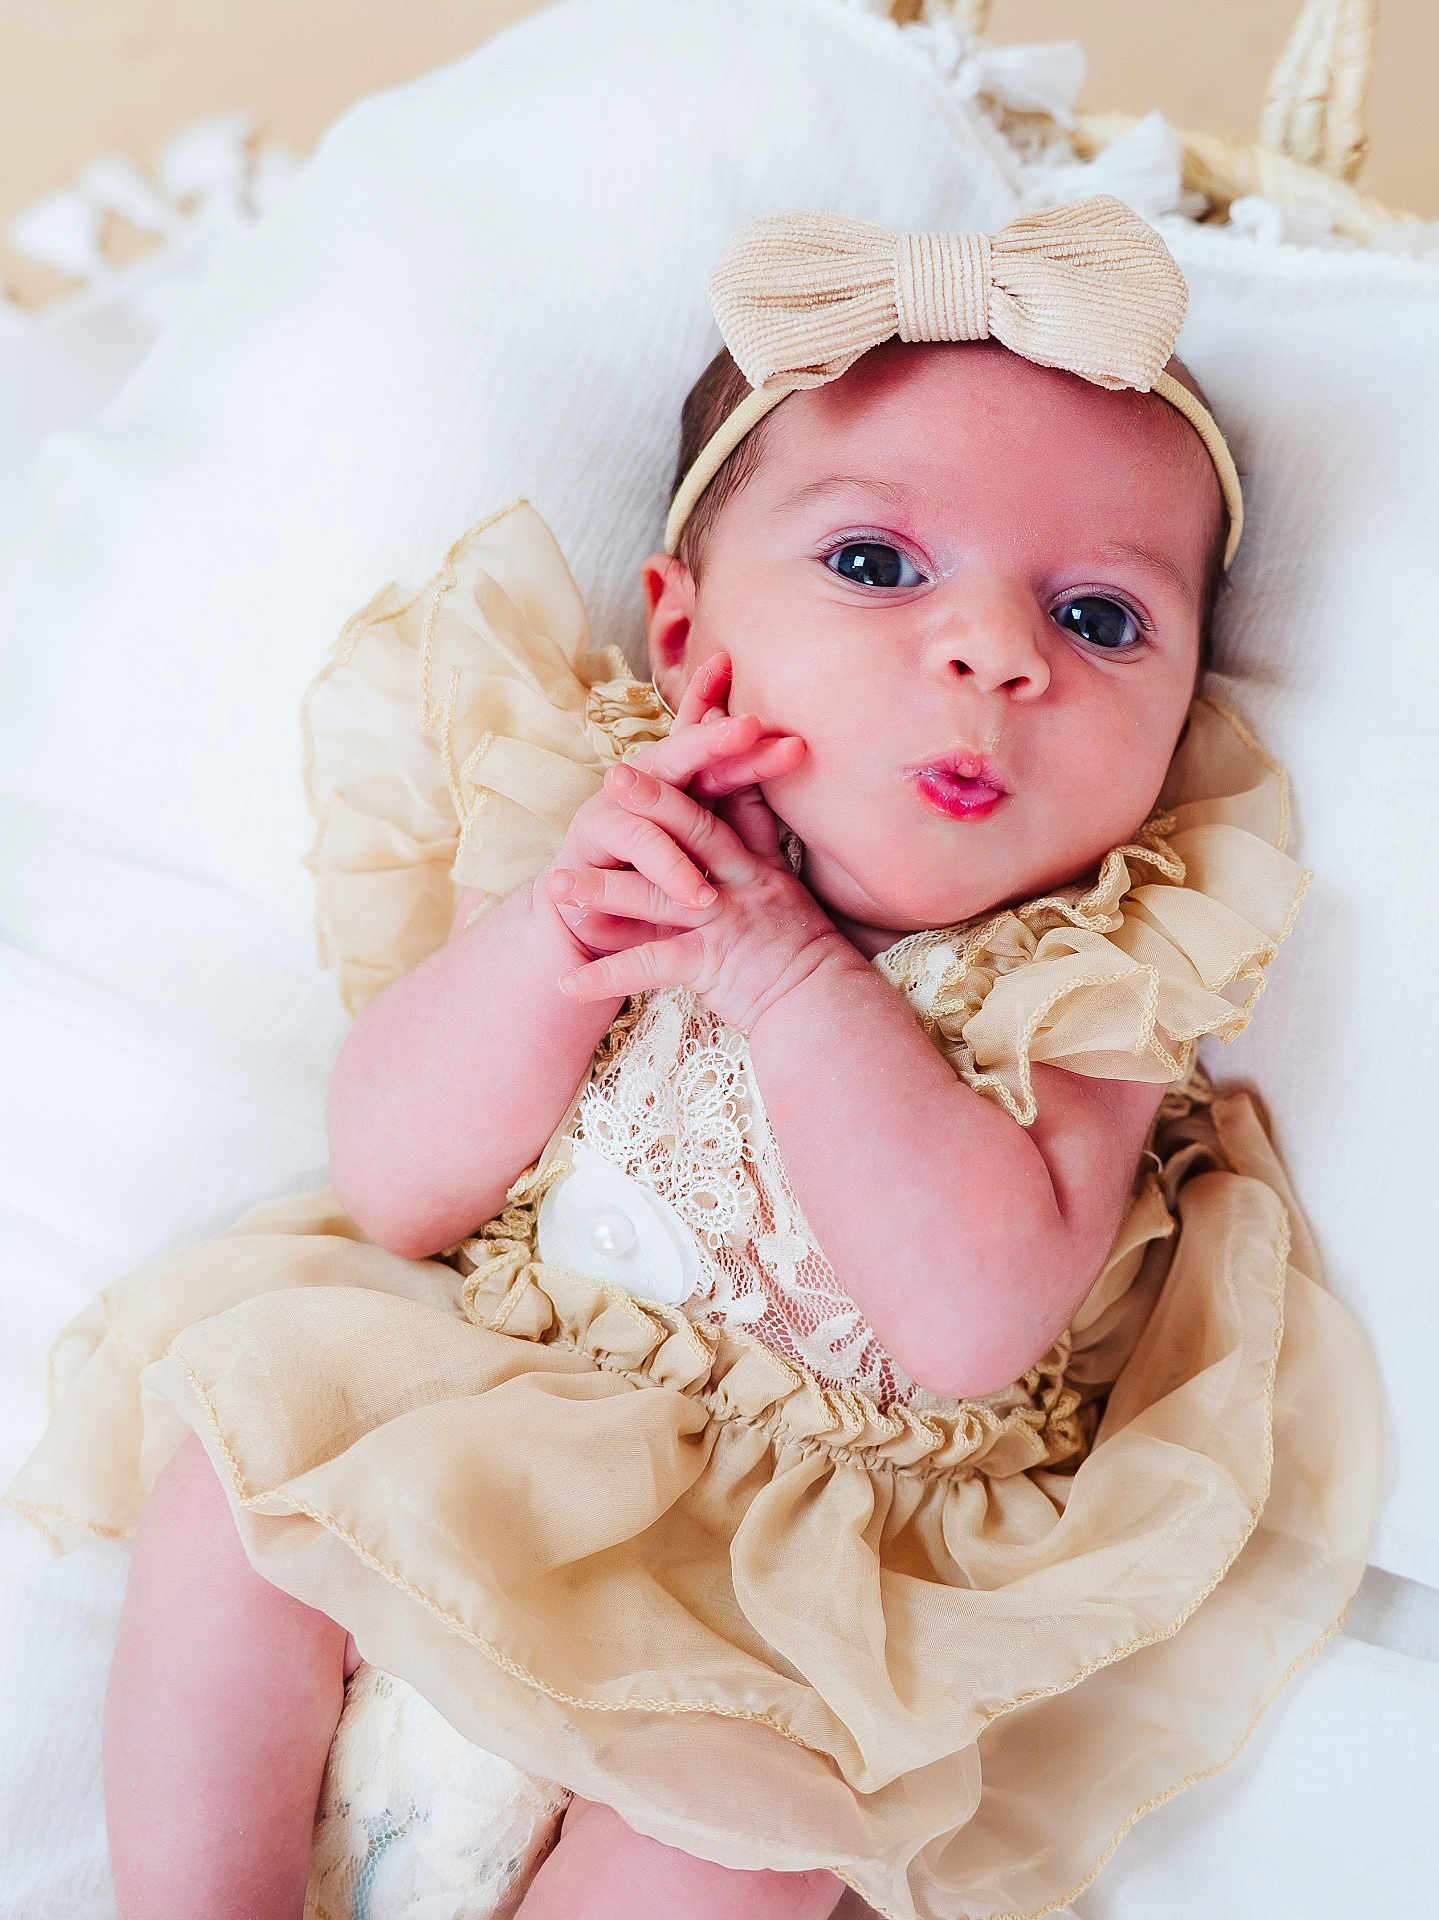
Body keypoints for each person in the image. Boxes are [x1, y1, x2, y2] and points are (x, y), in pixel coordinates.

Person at [4, 198, 1383, 1920]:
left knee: (751, 1850)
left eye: (1102, 619)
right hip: (476, 1440)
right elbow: (396, 1184)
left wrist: (798, 981)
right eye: (877, 566)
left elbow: (967, 1326)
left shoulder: (1093, 976)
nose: (994, 653)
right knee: (237, 1479)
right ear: (681, 639)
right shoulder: (615, 840)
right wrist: (544, 953)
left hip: (777, 1609)